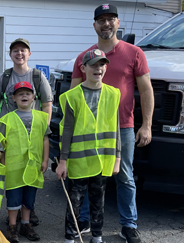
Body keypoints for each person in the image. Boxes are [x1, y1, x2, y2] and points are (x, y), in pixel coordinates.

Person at [69, 4, 153, 243]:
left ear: (118, 23)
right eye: (101, 20)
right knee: (87, 174)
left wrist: (146, 125)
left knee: (124, 176)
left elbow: (146, 91)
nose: (106, 24)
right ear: (94, 25)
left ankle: (128, 225)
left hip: (122, 126)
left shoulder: (134, 53)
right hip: (88, 129)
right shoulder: (82, 58)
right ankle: (84, 221)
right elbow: (74, 95)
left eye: (110, 19)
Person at [56, 49, 121, 243]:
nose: (98, 68)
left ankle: (97, 236)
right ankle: (70, 236)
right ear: (83, 68)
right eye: (93, 65)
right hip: (78, 161)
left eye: (101, 64)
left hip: (102, 160)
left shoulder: (113, 94)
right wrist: (62, 161)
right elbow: (66, 130)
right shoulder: (72, 96)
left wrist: (117, 158)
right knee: (74, 201)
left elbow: (116, 128)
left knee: (98, 202)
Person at [0, 37, 53, 226]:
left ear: (29, 54)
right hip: (10, 133)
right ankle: (14, 216)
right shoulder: (5, 77)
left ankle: (28, 212)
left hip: (32, 133)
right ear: (10, 55)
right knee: (13, 174)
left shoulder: (37, 76)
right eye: (15, 50)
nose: (19, 53)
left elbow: (47, 104)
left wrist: (42, 128)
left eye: (23, 50)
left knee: (31, 173)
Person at [0, 82, 50, 243]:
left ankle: (26, 224)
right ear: (13, 98)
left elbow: (45, 139)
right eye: (20, 94)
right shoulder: (6, 119)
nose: (24, 96)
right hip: (14, 166)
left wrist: (45, 160)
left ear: (34, 97)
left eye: (28, 93)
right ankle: (12, 226)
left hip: (33, 165)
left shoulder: (42, 117)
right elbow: (2, 144)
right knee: (13, 197)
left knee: (29, 197)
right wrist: (3, 164)